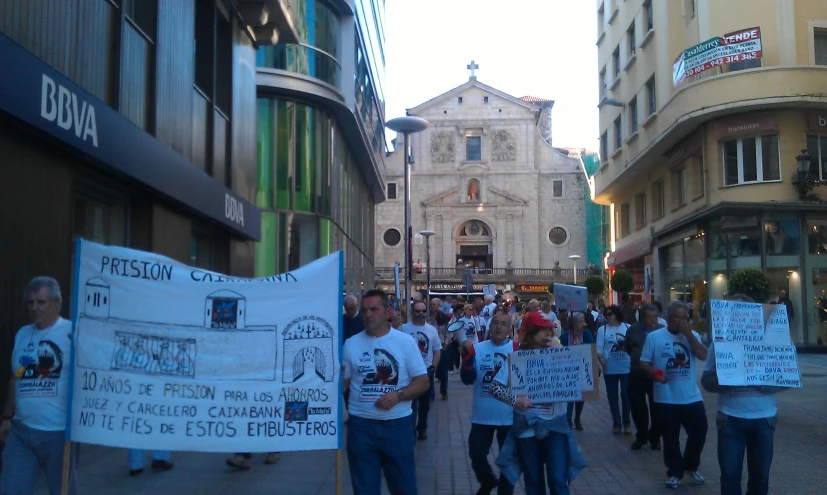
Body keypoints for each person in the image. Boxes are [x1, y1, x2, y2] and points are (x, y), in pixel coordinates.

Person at [342, 289, 429, 495]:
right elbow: (343, 386)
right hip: (361, 427)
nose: (368, 315)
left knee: (404, 488)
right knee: (364, 489)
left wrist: (397, 395)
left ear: (386, 311)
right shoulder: (351, 344)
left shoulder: (404, 342)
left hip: (397, 426)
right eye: (364, 310)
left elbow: (423, 382)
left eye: (374, 309)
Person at [489, 312, 587, 495]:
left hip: (555, 427)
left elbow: (585, 381)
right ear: (531, 333)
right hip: (527, 428)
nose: (547, 334)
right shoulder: (517, 358)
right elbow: (495, 387)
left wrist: (563, 353)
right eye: (541, 330)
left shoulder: (561, 352)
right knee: (533, 482)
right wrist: (515, 400)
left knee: (558, 480)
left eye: (549, 329)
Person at [701, 294, 788, 495]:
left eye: (742, 311)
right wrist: (728, 379)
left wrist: (765, 385)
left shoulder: (771, 342)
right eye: (733, 311)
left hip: (764, 419)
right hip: (730, 419)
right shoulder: (719, 344)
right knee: (730, 477)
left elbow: (787, 375)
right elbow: (706, 380)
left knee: (760, 478)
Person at [1, 277, 77, 495]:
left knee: (62, 491)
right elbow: (16, 376)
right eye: (30, 302)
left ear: (56, 302)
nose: (34, 308)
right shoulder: (23, 334)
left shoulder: (72, 333)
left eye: (41, 302)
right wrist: (7, 417)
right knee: (11, 489)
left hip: (58, 434)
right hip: (22, 432)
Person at [640, 301, 709, 490]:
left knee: (699, 432)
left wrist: (688, 335)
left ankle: (691, 466)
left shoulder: (692, 335)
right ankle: (674, 472)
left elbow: (704, 355)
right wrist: (654, 374)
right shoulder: (655, 337)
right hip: (666, 397)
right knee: (670, 438)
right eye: (678, 317)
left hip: (691, 397)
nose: (682, 321)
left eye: (685, 317)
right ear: (669, 318)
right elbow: (644, 362)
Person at [460, 312, 519, 495]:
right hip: (482, 416)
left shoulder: (517, 349)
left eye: (503, 324)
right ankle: (487, 481)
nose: (499, 327)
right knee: (477, 454)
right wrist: (467, 361)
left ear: (510, 329)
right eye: (495, 323)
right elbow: (468, 380)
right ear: (489, 326)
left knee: (508, 462)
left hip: (509, 417)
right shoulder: (478, 349)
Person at [625, 304, 664, 451]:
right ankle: (641, 435)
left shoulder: (662, 330)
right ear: (642, 317)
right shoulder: (633, 330)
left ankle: (655, 437)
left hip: (656, 375)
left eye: (655, 316)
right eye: (649, 317)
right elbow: (629, 348)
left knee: (658, 408)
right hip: (637, 374)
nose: (652, 320)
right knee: (637, 407)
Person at [402, 301, 442, 440]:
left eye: (423, 311)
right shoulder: (403, 329)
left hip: (425, 372)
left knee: (424, 405)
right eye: (417, 311)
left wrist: (433, 368)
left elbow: (437, 350)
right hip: (408, 374)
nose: (420, 314)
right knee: (410, 404)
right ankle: (411, 430)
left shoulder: (431, 330)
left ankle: (422, 428)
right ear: (412, 312)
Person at [596, 305, 632, 435]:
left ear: (617, 314)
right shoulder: (603, 330)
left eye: (610, 314)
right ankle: (616, 423)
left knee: (626, 394)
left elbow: (633, 346)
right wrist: (600, 358)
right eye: (606, 315)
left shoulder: (627, 327)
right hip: (609, 367)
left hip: (626, 367)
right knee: (612, 397)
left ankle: (627, 422)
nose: (608, 317)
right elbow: (599, 346)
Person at [559, 313, 595, 430]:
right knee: (570, 396)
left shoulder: (586, 333)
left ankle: (577, 418)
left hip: (583, 368)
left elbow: (592, 346)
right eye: (580, 321)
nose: (583, 323)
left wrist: (581, 345)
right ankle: (568, 420)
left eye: (583, 320)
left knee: (581, 396)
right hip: (569, 369)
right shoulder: (565, 335)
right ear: (574, 324)